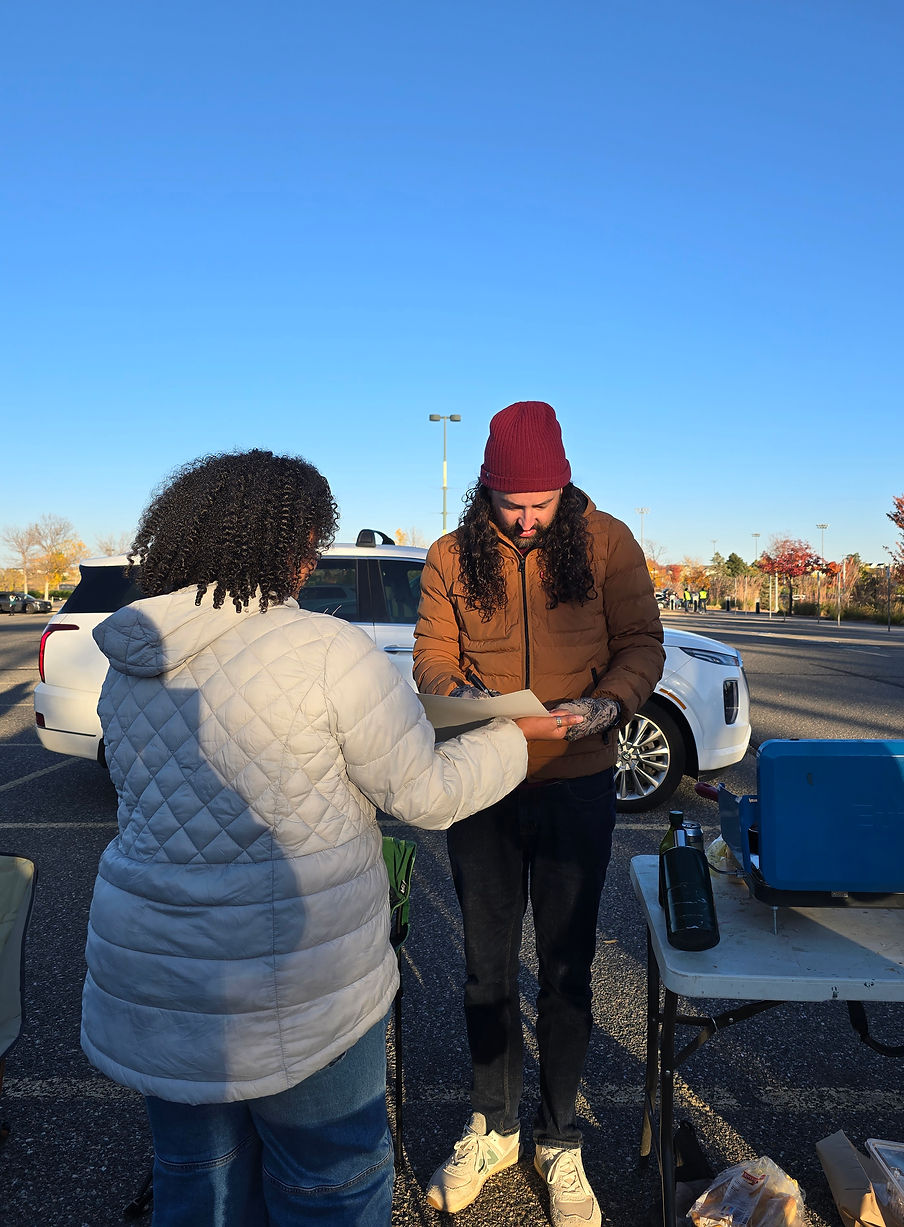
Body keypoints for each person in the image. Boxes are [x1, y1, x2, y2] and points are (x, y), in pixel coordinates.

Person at [80, 448, 580, 1227]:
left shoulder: (129, 661)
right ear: (279, 545)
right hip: (296, 986)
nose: (311, 564)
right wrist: (516, 736)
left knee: (197, 1181)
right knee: (329, 1186)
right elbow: (427, 793)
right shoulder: (326, 649)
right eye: (309, 544)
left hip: (159, 986)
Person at [414, 402, 665, 1227]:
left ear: (564, 487)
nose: (525, 520)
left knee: (566, 970)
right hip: (482, 781)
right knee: (486, 968)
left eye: (540, 503)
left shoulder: (607, 542)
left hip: (577, 778)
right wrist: (471, 703)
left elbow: (642, 644)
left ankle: (560, 1139)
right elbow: (433, 661)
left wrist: (606, 707)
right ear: (485, 490)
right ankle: (493, 1123)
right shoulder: (452, 555)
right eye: (511, 504)